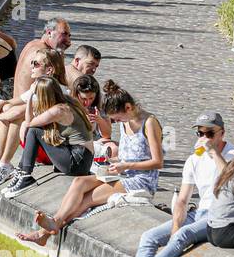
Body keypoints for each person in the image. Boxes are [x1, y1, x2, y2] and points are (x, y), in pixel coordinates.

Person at [96, 112, 234, 257]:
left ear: (222, 133)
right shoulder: (193, 160)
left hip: (221, 215)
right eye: (200, 133)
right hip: (199, 213)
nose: (204, 138)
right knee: (149, 236)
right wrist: (174, 230)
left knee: (185, 234)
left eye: (210, 134)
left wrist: (213, 152)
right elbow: (182, 200)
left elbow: (230, 181)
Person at [17, 80, 163, 242]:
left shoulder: (149, 123)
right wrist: (111, 160)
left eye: (118, 119)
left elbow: (158, 162)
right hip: (123, 173)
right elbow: (127, 154)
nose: (118, 122)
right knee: (79, 182)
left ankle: (46, 231)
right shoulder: (126, 120)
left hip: (141, 180)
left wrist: (126, 165)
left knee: (87, 199)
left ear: (128, 107)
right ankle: (52, 225)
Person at [0, 45, 68, 189]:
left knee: (17, 117)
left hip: (52, 149)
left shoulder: (52, 90)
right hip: (37, 143)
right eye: (32, 63)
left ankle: (4, 165)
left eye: (36, 64)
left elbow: (20, 112)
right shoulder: (37, 85)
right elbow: (10, 102)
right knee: (6, 108)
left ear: (49, 70)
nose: (31, 67)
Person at [0, 78, 95, 200]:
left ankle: (26, 176)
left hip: (77, 161)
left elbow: (29, 123)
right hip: (82, 158)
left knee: (33, 131)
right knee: (35, 130)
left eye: (37, 95)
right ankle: (21, 173)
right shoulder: (66, 101)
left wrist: (30, 97)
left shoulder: (59, 110)